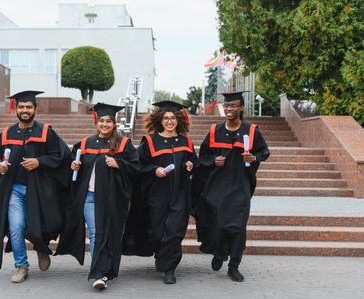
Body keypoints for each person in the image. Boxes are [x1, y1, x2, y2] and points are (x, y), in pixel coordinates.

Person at [0, 90, 71, 283]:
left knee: (45, 224)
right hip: (15, 190)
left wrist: (39, 162)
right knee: (16, 226)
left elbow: (61, 156)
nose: (25, 110)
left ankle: (41, 248)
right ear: (15, 109)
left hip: (39, 190)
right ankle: (21, 265)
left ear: (35, 108)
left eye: (29, 107)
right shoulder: (6, 134)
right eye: (21, 107)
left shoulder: (46, 132)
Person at [55, 103, 140, 290]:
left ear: (114, 123)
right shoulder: (85, 144)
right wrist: (73, 167)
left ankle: (109, 269)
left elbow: (136, 168)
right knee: (96, 234)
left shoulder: (123, 144)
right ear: (97, 122)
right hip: (90, 197)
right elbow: (74, 166)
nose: (104, 124)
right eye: (101, 120)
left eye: (108, 121)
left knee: (113, 235)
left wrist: (119, 164)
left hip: (115, 198)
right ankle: (99, 274)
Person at [192, 91, 270, 282]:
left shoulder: (251, 130)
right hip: (217, 186)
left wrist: (254, 158)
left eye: (233, 105)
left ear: (241, 108)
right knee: (218, 224)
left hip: (240, 185)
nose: (229, 109)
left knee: (237, 228)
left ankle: (234, 265)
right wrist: (213, 161)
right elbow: (203, 156)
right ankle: (219, 253)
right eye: (226, 106)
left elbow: (264, 152)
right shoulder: (214, 130)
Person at [123, 101, 199, 284]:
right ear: (160, 120)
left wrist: (190, 166)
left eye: (173, 118)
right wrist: (153, 170)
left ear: (179, 120)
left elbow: (194, 163)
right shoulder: (150, 141)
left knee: (174, 231)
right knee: (157, 232)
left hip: (180, 194)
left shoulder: (185, 142)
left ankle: (169, 268)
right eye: (166, 118)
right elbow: (139, 165)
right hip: (156, 195)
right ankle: (160, 253)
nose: (170, 122)